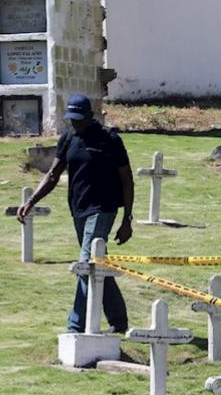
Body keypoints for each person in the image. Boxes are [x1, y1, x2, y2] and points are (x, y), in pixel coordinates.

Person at [17, 94, 134, 334]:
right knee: (97, 263)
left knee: (85, 263)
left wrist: (127, 220)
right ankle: (119, 321)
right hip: (78, 210)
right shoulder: (68, 137)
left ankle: (75, 325)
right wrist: (31, 201)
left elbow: (126, 180)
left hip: (104, 209)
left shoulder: (109, 139)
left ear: (91, 116)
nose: (76, 123)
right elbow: (52, 175)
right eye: (72, 119)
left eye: (80, 119)